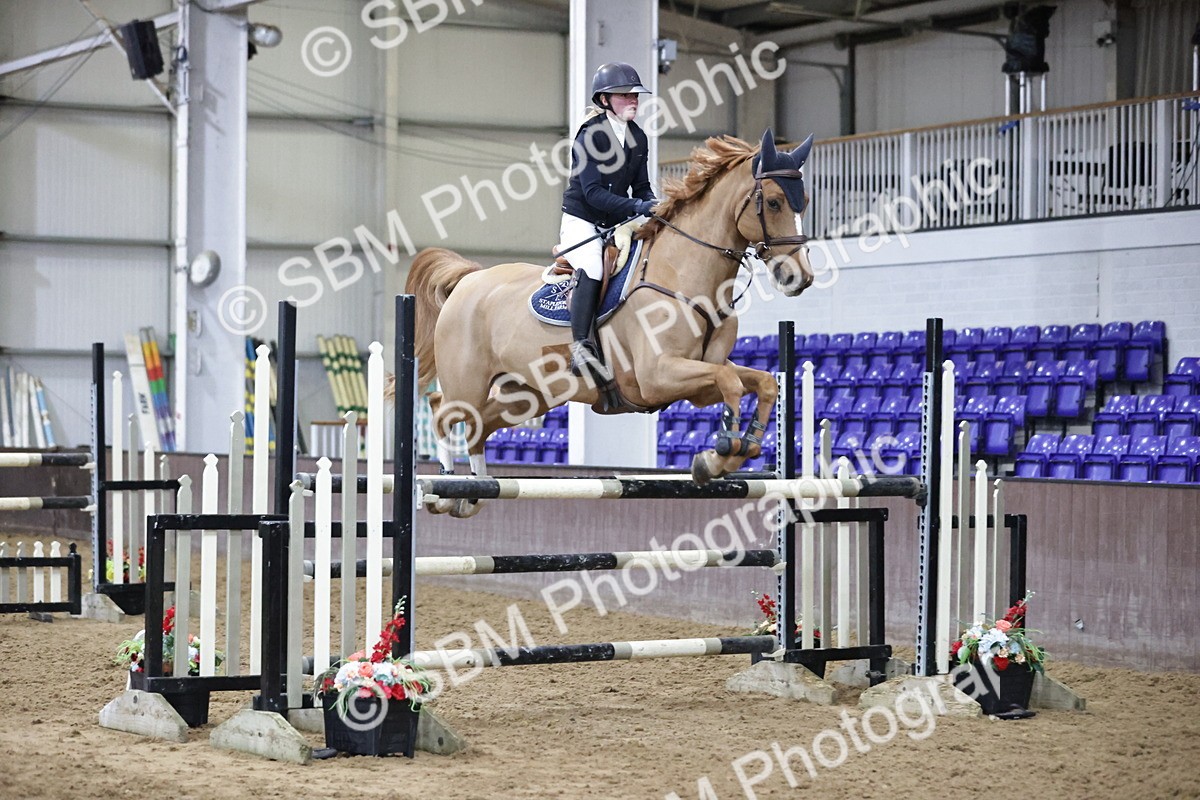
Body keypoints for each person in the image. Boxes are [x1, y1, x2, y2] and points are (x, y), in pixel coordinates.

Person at [560, 62, 657, 379]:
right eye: (624, 95)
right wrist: (637, 206)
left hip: (618, 222)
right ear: (604, 100)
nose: (633, 100)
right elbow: (593, 194)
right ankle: (581, 347)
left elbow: (641, 186)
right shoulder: (591, 137)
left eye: (635, 95)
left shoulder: (638, 138)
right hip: (582, 220)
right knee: (593, 265)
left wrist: (654, 205)